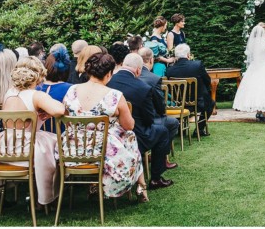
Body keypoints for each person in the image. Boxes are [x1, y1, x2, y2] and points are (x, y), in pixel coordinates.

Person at [63, 52, 148, 201]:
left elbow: (66, 117)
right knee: (130, 136)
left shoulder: (72, 90)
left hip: (72, 150)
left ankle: (96, 186)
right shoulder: (115, 95)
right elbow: (129, 125)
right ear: (109, 73)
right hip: (102, 153)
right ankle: (141, 186)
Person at [1, 56, 66, 207]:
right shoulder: (36, 95)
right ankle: (46, 197)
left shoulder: (8, 93)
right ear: (39, 76)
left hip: (4, 147)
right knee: (57, 145)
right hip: (26, 148)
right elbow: (59, 110)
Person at [108, 53, 174, 190]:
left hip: (109, 136)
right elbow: (149, 119)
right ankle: (156, 178)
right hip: (134, 136)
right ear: (138, 69)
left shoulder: (108, 82)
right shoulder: (143, 88)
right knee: (162, 131)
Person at [138, 47, 180, 157]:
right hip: (150, 119)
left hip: (133, 119)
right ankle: (160, 157)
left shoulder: (130, 76)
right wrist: (162, 113)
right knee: (173, 123)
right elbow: (160, 104)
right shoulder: (154, 78)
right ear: (151, 60)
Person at [165, 43, 214, 137]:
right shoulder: (197, 65)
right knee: (211, 103)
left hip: (179, 103)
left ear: (176, 56)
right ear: (188, 54)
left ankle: (180, 128)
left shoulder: (169, 70)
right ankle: (199, 129)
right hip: (198, 103)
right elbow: (207, 80)